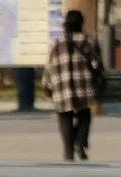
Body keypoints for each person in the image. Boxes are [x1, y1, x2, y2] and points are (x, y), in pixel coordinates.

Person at [43, 10, 104, 161]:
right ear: (81, 23)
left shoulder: (57, 44)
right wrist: (101, 81)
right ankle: (80, 141)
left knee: (64, 116)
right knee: (84, 114)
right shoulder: (89, 42)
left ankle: (68, 152)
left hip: (61, 86)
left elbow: (49, 67)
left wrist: (46, 85)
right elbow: (97, 65)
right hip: (83, 85)